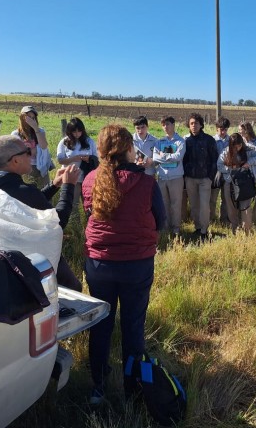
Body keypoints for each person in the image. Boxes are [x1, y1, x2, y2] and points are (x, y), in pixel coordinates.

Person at [81, 124, 166, 405]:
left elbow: (89, 212)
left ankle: (98, 386)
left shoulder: (91, 179)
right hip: (136, 264)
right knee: (133, 326)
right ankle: (132, 388)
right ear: (129, 149)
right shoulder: (145, 182)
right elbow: (161, 221)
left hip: (99, 264)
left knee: (101, 324)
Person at [0, 135, 82, 292]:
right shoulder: (20, 191)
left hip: (1, 262)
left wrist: (54, 185)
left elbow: (23, 206)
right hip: (31, 262)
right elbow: (58, 222)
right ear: (15, 160)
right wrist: (68, 186)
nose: (32, 155)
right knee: (72, 289)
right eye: (28, 152)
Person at [217, 133, 256, 234]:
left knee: (245, 208)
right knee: (231, 208)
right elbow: (219, 165)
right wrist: (231, 169)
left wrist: (249, 162)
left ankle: (246, 232)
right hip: (230, 183)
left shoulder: (249, 149)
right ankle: (235, 231)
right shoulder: (226, 151)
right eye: (234, 146)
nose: (237, 148)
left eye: (239, 146)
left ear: (242, 143)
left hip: (246, 183)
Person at [182, 113, 218, 240]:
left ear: (201, 125)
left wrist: (210, 177)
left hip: (204, 179)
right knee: (194, 205)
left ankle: (204, 230)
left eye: (196, 123)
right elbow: (183, 159)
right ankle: (197, 228)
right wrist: (186, 175)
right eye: (191, 123)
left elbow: (215, 159)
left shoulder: (209, 140)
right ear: (189, 125)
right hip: (190, 178)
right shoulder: (186, 141)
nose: (194, 126)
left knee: (204, 206)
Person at [153, 116, 186, 235]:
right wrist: (169, 158)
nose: (165, 127)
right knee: (164, 203)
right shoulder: (159, 142)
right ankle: (165, 228)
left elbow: (178, 157)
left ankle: (176, 228)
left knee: (176, 204)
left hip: (176, 178)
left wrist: (163, 156)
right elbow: (155, 157)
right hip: (162, 178)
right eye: (163, 125)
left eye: (167, 124)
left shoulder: (180, 141)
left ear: (173, 125)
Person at [56, 118, 98, 207]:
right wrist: (73, 158)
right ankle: (73, 221)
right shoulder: (64, 142)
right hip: (71, 178)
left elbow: (96, 158)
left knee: (90, 204)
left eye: (79, 131)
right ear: (69, 131)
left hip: (87, 178)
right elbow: (60, 160)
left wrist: (89, 158)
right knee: (72, 205)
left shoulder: (89, 141)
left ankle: (88, 220)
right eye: (74, 132)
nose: (77, 134)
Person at [11, 106, 51, 188]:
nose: (31, 121)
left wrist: (36, 129)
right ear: (22, 118)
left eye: (33, 118)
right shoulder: (16, 134)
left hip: (41, 166)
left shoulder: (40, 131)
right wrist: (35, 150)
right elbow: (17, 154)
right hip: (25, 167)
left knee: (45, 192)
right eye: (28, 117)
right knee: (28, 194)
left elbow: (43, 146)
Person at [210, 116, 231, 223]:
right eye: (221, 129)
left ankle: (224, 219)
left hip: (227, 173)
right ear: (216, 128)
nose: (223, 132)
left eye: (225, 129)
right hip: (214, 173)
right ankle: (211, 219)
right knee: (212, 198)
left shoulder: (231, 141)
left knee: (226, 198)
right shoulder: (212, 140)